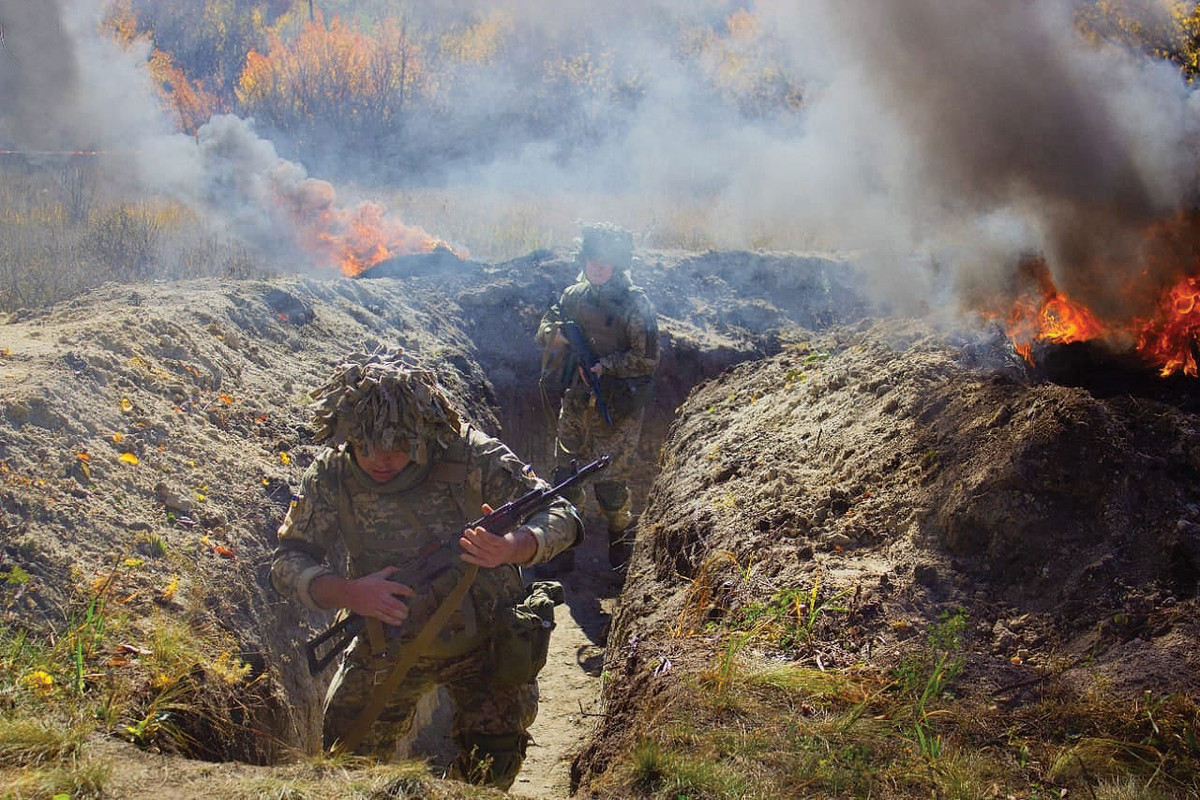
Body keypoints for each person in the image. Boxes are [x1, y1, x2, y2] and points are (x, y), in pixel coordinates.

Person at [270, 346, 582, 789]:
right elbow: (286, 562)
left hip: (486, 642)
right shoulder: (332, 475)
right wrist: (349, 593)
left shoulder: (468, 455)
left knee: (492, 766)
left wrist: (512, 546)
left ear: (423, 433)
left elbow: (562, 514)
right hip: (386, 642)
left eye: (397, 447)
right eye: (366, 446)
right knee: (347, 766)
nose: (381, 459)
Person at [536, 222, 659, 573]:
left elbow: (647, 358)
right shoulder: (574, 296)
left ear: (619, 262)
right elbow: (546, 325)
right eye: (592, 259)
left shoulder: (636, 304)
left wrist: (606, 365)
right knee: (567, 477)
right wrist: (555, 336)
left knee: (610, 485)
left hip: (616, 408)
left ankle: (621, 552)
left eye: (605, 260)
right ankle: (562, 551)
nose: (598, 266)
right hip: (576, 402)